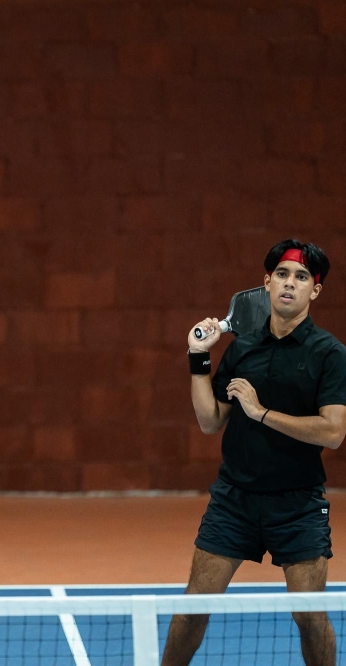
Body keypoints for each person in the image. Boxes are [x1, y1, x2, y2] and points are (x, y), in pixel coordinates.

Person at [163, 239, 346, 666]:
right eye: (281, 274)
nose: (290, 283)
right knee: (192, 611)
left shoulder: (330, 354)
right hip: (235, 502)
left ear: (315, 290)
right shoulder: (242, 348)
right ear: (267, 283)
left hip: (298, 505)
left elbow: (334, 432)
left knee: (309, 617)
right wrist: (198, 356)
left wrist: (261, 413)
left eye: (301, 277)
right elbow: (211, 421)